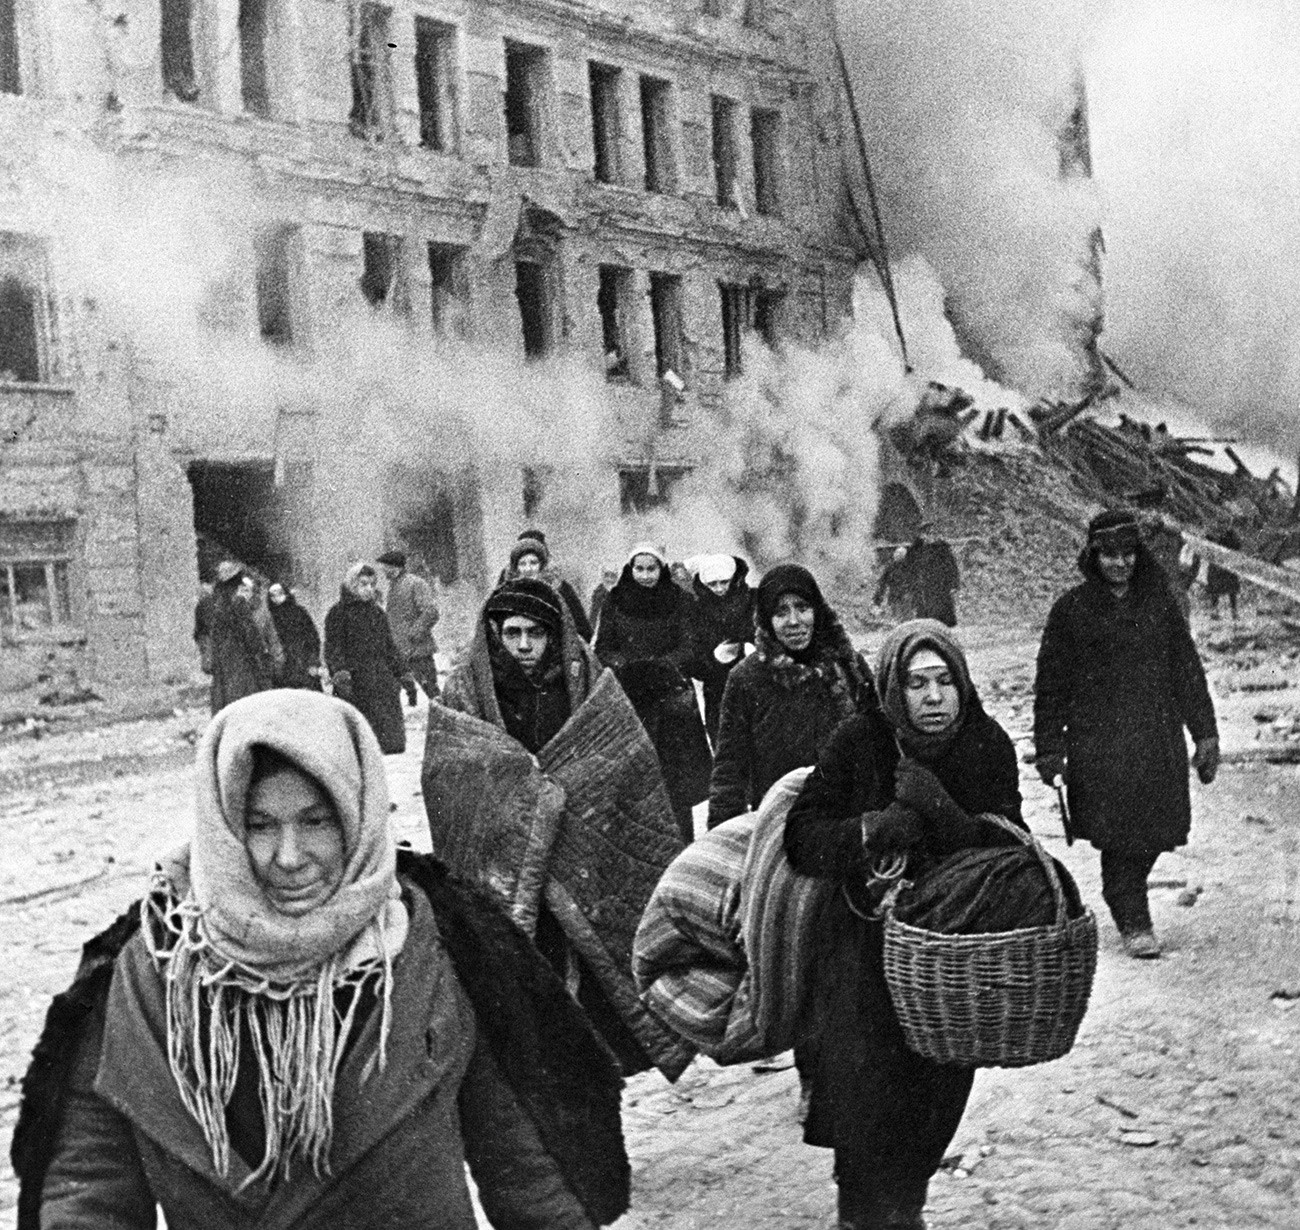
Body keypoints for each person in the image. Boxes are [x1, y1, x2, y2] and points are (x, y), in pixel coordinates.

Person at [18, 689, 630, 1229]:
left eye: (317, 821)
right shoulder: (151, 973)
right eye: (259, 825)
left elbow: (525, 1167)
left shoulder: (435, 950)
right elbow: (90, 1187)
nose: (290, 856)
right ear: (223, 826)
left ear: (359, 816)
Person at [784, 621, 1025, 1230]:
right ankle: (861, 1215)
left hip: (949, 957)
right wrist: (874, 828)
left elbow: (1010, 848)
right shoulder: (858, 742)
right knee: (863, 1104)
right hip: (863, 951)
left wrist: (940, 810)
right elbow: (801, 836)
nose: (934, 697)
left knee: (936, 1099)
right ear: (894, 688)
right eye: (917, 684)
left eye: (945, 681)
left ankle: (906, 1209)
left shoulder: (985, 744)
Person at [431, 578, 693, 1080]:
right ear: (493, 633)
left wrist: (566, 788)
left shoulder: (590, 685)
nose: (525, 645)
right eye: (512, 633)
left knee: (593, 1011)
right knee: (527, 1005)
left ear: (557, 634)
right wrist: (523, 791)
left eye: (537, 632)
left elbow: (623, 759)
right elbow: (451, 774)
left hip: (587, 867)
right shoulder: (465, 694)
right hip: (506, 872)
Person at [1034, 509, 1219, 958]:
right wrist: (1049, 747)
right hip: (1099, 744)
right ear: (1092, 556)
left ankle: (1123, 891)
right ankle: (1131, 912)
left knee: (1158, 828)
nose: (1120, 563)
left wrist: (1205, 734)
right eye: (1110, 555)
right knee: (1117, 831)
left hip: (1155, 738)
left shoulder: (1159, 605)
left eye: (1128, 553)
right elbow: (1051, 682)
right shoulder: (1071, 610)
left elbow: (1186, 670)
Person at [708, 563, 876, 829]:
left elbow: (881, 741)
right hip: (781, 825)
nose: (794, 621)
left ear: (817, 611)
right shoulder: (746, 679)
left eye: (802, 607)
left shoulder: (847, 665)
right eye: (780, 612)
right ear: (766, 619)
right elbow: (730, 769)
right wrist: (725, 837)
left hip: (850, 819)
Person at [595, 542, 713, 843]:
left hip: (670, 698)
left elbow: (690, 646)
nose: (645, 575)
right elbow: (604, 648)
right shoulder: (615, 600)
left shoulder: (681, 601)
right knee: (634, 777)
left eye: (651, 569)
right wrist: (628, 666)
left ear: (662, 569)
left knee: (677, 783)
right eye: (639, 569)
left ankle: (682, 843)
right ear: (630, 569)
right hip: (631, 698)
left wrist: (661, 666)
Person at [324, 563, 409, 754]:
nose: (369, 589)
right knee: (362, 747)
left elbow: (389, 647)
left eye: (372, 584)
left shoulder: (377, 613)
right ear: (352, 585)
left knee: (391, 747)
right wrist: (341, 674)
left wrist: (402, 672)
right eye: (363, 584)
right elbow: (333, 648)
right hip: (356, 683)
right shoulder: (338, 614)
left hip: (382, 680)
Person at [686, 554, 754, 745]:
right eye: (712, 584)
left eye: (724, 582)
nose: (719, 589)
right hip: (718, 689)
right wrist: (714, 658)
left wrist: (753, 648)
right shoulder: (697, 610)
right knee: (724, 743)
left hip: (755, 681)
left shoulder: (752, 601)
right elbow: (692, 659)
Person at [207, 565, 277, 715]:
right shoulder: (239, 603)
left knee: (226, 705)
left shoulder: (216, 605)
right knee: (246, 706)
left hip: (224, 664)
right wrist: (261, 653)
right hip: (241, 664)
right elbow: (251, 636)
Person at [505, 531, 593, 641]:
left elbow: (583, 631)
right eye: (522, 563)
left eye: (533, 562)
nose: (528, 569)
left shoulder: (561, 589)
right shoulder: (506, 591)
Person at [377, 549, 440, 702]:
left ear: (395, 567)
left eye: (385, 567)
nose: (383, 570)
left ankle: (447, 720)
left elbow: (431, 612)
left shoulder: (415, 583)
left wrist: (414, 634)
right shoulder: (394, 586)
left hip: (418, 651)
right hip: (401, 650)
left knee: (432, 691)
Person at [266, 581, 323, 691]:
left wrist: (313, 663)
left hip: (304, 662)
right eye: (273, 595)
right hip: (283, 669)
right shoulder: (270, 617)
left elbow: (313, 638)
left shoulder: (299, 612)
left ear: (286, 594)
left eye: (280, 593)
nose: (277, 597)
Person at [902, 535, 960, 626]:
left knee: (940, 608)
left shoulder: (942, 548)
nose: (928, 536)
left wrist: (954, 584)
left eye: (930, 531)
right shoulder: (918, 548)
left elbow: (952, 568)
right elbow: (910, 566)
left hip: (940, 584)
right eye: (925, 532)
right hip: (925, 584)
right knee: (926, 609)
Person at [1206, 525, 1243, 620]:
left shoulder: (1230, 532)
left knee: (1231, 590)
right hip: (1218, 564)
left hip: (1227, 564)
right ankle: (1215, 612)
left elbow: (1238, 545)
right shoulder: (1212, 531)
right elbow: (1207, 544)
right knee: (1216, 589)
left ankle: (1234, 613)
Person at [588, 567, 618, 634]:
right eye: (607, 575)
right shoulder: (598, 593)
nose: (609, 579)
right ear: (603, 577)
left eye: (612, 576)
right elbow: (594, 614)